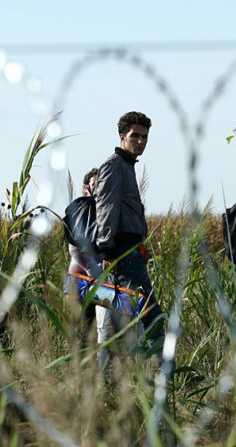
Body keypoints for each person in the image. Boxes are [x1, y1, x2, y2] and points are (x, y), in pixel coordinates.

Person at [93, 111, 166, 368]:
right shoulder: (114, 165)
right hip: (122, 253)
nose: (140, 141)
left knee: (116, 323)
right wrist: (108, 252)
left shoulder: (127, 165)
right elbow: (105, 209)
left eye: (144, 137)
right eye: (135, 136)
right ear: (122, 136)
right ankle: (167, 373)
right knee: (152, 315)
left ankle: (104, 379)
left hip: (130, 251)